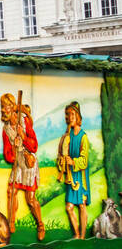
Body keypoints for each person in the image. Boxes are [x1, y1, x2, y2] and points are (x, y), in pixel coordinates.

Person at [1, 93, 45, 240]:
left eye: (6, 106)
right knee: (10, 191)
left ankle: (40, 224)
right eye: (2, 107)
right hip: (18, 164)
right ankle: (11, 222)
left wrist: (23, 137)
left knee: (31, 199)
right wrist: (14, 147)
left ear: (12, 107)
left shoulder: (24, 122)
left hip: (28, 163)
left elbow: (34, 146)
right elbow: (7, 155)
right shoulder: (6, 129)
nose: (3, 110)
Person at [56, 101, 90, 240]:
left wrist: (73, 161)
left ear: (77, 116)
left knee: (81, 205)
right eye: (68, 114)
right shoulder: (67, 137)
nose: (70, 117)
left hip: (80, 176)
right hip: (70, 176)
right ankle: (77, 234)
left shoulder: (83, 137)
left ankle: (82, 236)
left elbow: (85, 160)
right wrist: (63, 162)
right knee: (69, 207)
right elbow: (61, 154)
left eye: (72, 114)